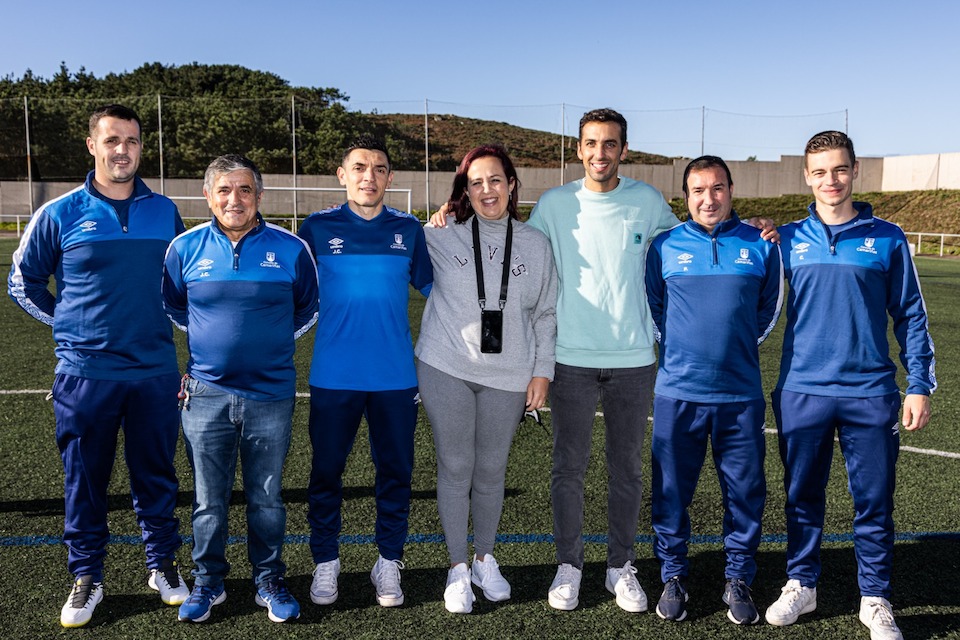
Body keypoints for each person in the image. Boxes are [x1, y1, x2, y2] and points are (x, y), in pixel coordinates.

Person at [7, 104, 188, 628]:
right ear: (92, 146)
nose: (122, 150)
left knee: (157, 475)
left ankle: (162, 564)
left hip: (153, 371)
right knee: (84, 480)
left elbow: (181, 284)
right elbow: (23, 282)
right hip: (85, 374)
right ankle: (87, 574)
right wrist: (71, 329)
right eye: (112, 140)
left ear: (140, 147)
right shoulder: (59, 213)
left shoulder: (165, 212)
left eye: (131, 141)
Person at [765, 131, 936, 640]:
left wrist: (919, 384)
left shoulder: (887, 237)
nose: (831, 180)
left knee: (874, 500)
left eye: (839, 169)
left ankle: (875, 596)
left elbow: (911, 314)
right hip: (802, 390)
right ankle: (802, 583)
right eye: (819, 171)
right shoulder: (786, 239)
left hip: (871, 391)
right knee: (801, 495)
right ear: (806, 176)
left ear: (855, 170)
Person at [161, 155, 319, 623]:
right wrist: (215, 348)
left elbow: (308, 309)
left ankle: (268, 580)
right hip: (205, 394)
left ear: (259, 196)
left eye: (245, 190)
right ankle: (208, 582)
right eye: (225, 190)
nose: (235, 199)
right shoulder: (183, 248)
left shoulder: (291, 248)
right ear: (208, 196)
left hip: (271, 394)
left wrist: (267, 345)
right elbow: (174, 306)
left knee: (266, 498)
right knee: (208, 500)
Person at [416, 145, 557, 614]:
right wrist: (436, 217)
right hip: (447, 366)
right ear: (465, 190)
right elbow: (400, 248)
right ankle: (458, 567)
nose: (487, 190)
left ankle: (484, 558)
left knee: (492, 469)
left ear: (511, 185)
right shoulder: (441, 235)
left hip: (509, 371)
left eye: (495, 180)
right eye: (476, 182)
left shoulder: (536, 243)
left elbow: (545, 313)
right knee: (456, 465)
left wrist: (542, 371)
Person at [645, 156, 783, 624]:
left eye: (718, 188)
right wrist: (682, 351)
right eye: (699, 190)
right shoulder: (665, 245)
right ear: (686, 196)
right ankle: (673, 574)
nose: (709, 198)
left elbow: (768, 309)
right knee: (670, 491)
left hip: (739, 395)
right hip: (677, 393)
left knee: (745, 493)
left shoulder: (760, 243)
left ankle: (738, 577)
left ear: (731, 190)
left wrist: (733, 348)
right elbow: (654, 307)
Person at [298, 135, 433, 609]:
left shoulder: (408, 229)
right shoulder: (316, 228)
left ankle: (389, 560)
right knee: (326, 473)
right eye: (358, 167)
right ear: (342, 175)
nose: (368, 177)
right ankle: (326, 560)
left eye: (378, 169)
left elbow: (440, 289)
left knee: (395, 473)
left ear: (390, 178)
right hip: (333, 375)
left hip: (395, 377)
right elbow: (290, 292)